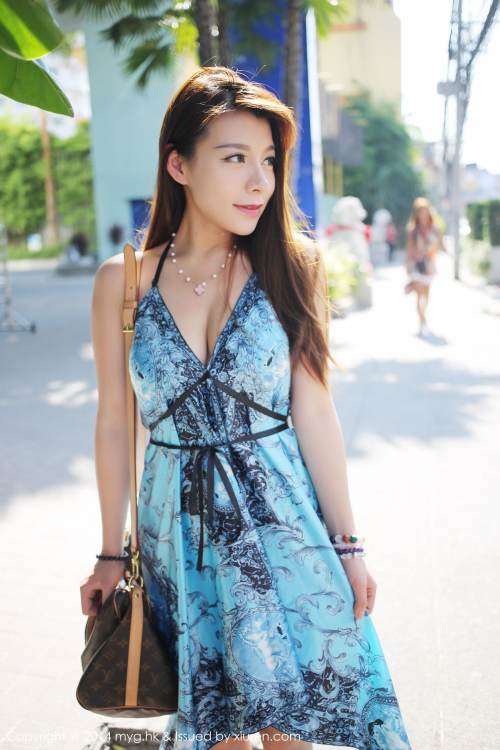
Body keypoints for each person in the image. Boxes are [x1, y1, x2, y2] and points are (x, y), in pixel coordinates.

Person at [80, 67, 412, 750]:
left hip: (282, 525)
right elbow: (116, 424)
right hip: (179, 534)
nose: (259, 181)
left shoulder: (293, 265)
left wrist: (348, 545)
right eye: (234, 159)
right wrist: (112, 551)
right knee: (217, 731)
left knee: (288, 730)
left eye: (267, 160)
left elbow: (315, 412)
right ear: (179, 165)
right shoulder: (124, 281)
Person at [404, 197, 445, 335]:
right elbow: (409, 249)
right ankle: (423, 321)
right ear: (416, 213)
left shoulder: (435, 229)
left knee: (426, 294)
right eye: (420, 211)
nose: (423, 214)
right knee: (419, 293)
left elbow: (439, 245)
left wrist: (430, 251)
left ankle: (423, 319)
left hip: (429, 266)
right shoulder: (412, 230)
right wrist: (410, 264)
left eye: (425, 211)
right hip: (416, 265)